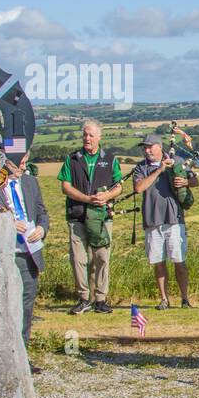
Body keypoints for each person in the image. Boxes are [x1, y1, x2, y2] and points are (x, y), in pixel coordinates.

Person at [57, 120, 123, 314]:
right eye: (85, 135)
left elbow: (118, 186)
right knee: (78, 258)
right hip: (77, 215)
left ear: (99, 137)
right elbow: (65, 187)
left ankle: (101, 299)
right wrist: (87, 199)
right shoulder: (72, 159)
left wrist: (106, 196)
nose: (87, 138)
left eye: (91, 135)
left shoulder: (110, 159)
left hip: (102, 217)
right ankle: (83, 298)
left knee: (102, 258)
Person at [133, 133, 198, 310]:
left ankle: (185, 299)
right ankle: (164, 299)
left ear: (159, 147)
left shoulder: (177, 160)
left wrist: (185, 181)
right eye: (144, 147)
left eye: (149, 147)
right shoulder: (141, 167)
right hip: (152, 219)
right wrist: (159, 170)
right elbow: (139, 188)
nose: (146, 150)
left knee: (179, 260)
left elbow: (195, 181)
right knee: (158, 262)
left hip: (175, 218)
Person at [0, 154, 49, 366]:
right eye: (17, 161)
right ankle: (4, 357)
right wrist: (8, 222)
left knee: (26, 306)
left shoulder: (30, 182)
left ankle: (22, 357)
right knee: (5, 306)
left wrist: (42, 228)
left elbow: (42, 212)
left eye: (24, 160)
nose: (22, 164)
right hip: (5, 253)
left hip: (29, 252)